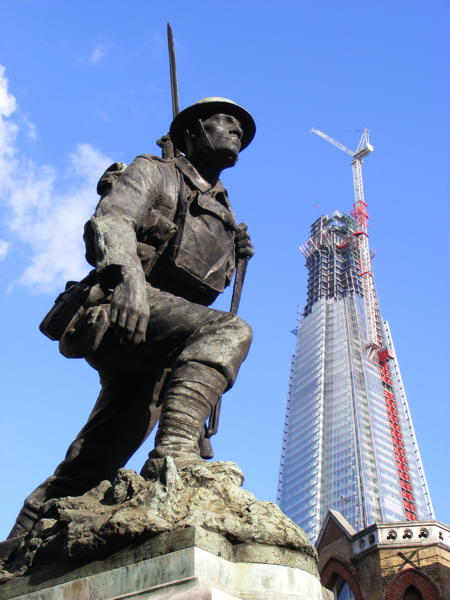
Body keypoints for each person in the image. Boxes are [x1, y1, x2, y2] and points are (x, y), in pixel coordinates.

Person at [7, 97, 256, 540]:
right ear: (194, 130)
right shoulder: (156, 171)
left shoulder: (224, 210)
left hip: (166, 340)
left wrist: (234, 254)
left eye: (242, 127)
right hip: (123, 312)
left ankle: (14, 552)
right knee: (229, 330)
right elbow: (111, 220)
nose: (236, 130)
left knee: (97, 457)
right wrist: (129, 281)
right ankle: (174, 455)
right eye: (226, 121)